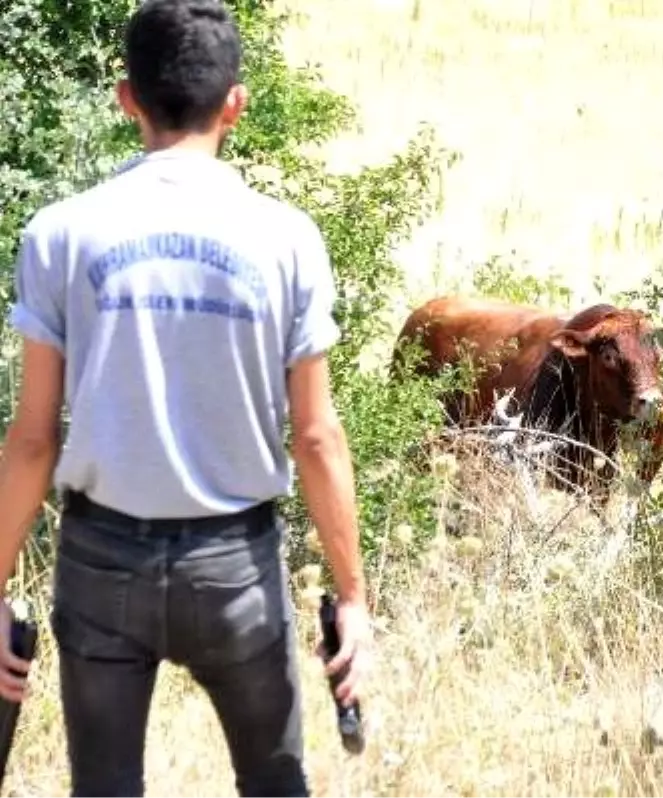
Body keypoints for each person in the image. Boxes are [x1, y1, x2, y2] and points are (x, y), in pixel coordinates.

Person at [0, 0, 373, 794]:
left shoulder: (59, 234)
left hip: (101, 564)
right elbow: (316, 438)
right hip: (235, 565)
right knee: (276, 784)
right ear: (235, 102)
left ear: (125, 96)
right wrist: (353, 600)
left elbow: (33, 439)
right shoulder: (287, 238)